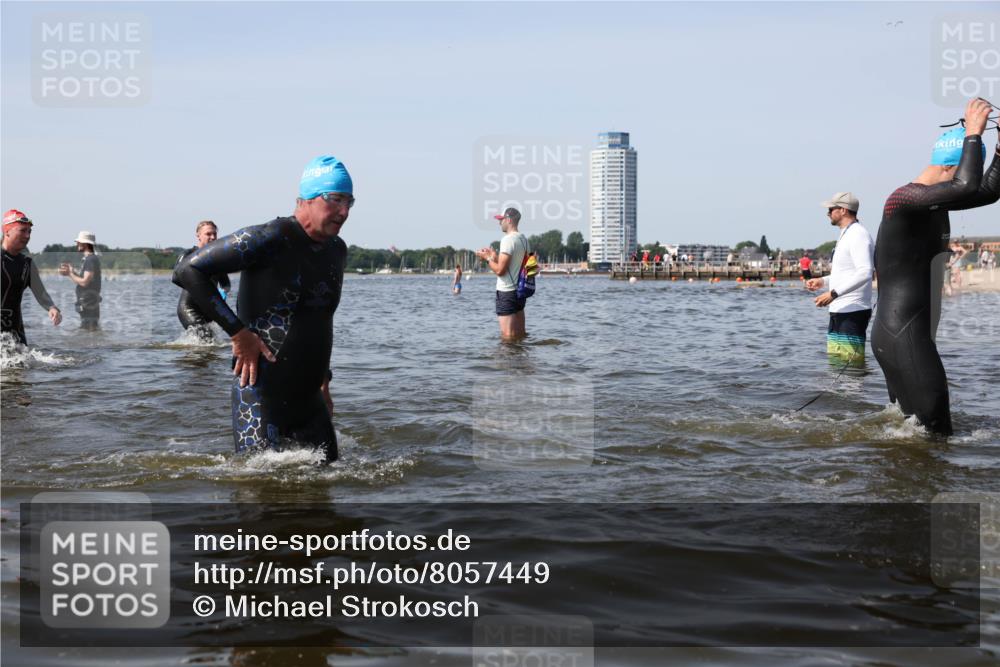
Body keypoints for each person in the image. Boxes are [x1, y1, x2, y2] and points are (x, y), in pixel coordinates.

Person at [173, 155, 353, 463]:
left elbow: (321, 320)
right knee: (257, 484)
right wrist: (238, 333)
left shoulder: (336, 250)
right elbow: (187, 270)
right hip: (260, 395)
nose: (344, 211)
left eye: (349, 201)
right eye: (335, 199)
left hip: (310, 400)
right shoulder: (270, 237)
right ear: (307, 198)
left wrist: (324, 380)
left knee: (331, 482)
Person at [872, 98, 1000, 436]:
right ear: (949, 168)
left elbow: (988, 191)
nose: (968, 183)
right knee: (938, 435)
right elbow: (967, 185)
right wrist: (974, 132)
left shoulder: (931, 204)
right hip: (903, 335)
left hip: (906, 334)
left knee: (913, 435)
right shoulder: (904, 200)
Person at [805, 192, 874, 363]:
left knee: (850, 366)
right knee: (837, 363)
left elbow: (865, 272)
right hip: (840, 309)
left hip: (853, 310)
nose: (827, 213)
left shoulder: (858, 234)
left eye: (831, 209)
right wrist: (823, 281)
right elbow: (845, 273)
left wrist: (833, 293)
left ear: (843, 210)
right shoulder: (846, 234)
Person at [1, 209, 61, 344]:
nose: (27, 236)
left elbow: (40, 292)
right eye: (22, 231)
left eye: (29, 232)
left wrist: (52, 307)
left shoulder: (27, 264)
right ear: (7, 231)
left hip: (16, 334)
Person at [476, 207, 528, 341]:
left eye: (501, 219)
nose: (500, 223)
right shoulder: (523, 239)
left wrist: (487, 258)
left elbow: (500, 271)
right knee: (520, 335)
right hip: (520, 292)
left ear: (508, 220)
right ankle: (522, 354)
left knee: (507, 337)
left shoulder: (507, 240)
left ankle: (507, 355)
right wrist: (495, 257)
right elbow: (514, 265)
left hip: (507, 292)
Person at [176, 220, 232, 339]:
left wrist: (223, 291)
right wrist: (201, 288)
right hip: (189, 308)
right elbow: (176, 277)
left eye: (214, 234)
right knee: (206, 339)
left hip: (210, 309)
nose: (213, 237)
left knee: (211, 344)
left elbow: (225, 283)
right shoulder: (189, 254)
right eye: (208, 234)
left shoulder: (218, 259)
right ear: (198, 236)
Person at [59, 231, 101, 330]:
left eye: (79, 242)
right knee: (87, 331)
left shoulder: (90, 259)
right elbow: (86, 281)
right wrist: (72, 272)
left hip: (89, 303)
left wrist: (69, 274)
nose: (77, 244)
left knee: (89, 330)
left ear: (85, 244)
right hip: (88, 303)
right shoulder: (89, 259)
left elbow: (84, 282)